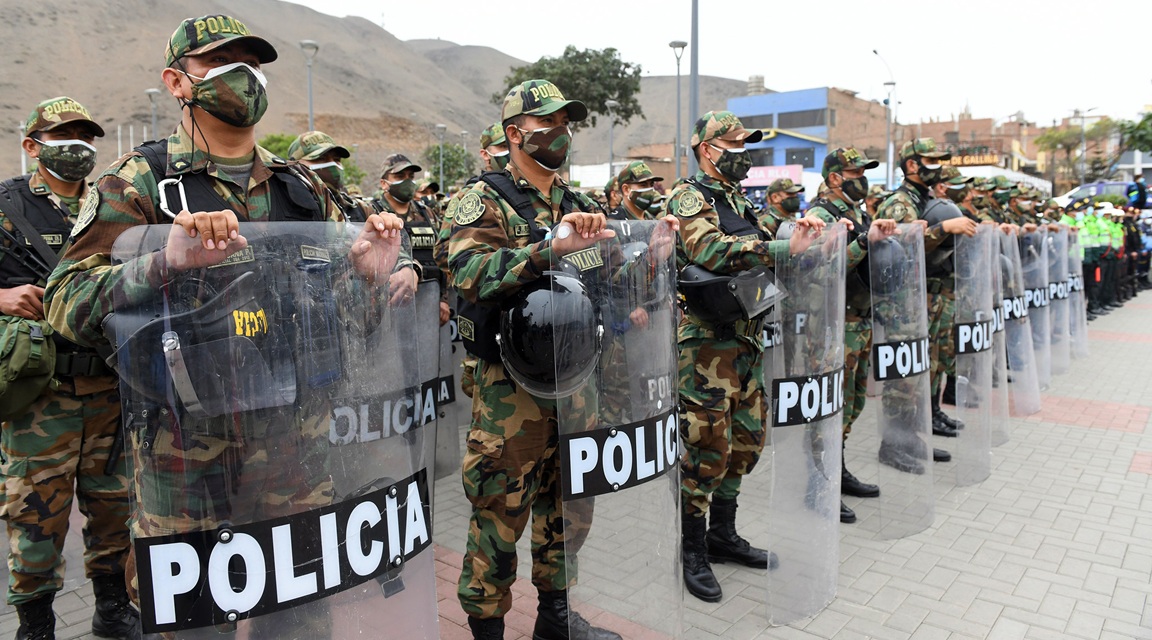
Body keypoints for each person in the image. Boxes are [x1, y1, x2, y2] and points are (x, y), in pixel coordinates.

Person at [42, 14, 404, 637]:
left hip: (295, 450)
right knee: (194, 624)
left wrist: (369, 280)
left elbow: (342, 323)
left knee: (299, 619)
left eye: (254, 65)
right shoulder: (142, 182)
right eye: (220, 64)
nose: (245, 77)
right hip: (184, 452)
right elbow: (64, 302)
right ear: (177, 83)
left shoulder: (302, 189)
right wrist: (159, 262)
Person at [450, 79, 652, 640]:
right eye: (548, 124)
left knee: (571, 505)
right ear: (516, 133)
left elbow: (610, 280)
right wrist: (547, 250)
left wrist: (646, 252)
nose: (561, 134)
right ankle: (487, 630)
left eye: (566, 124)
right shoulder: (481, 199)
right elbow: (467, 274)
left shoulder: (581, 204)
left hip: (578, 377)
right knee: (499, 512)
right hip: (511, 390)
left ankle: (555, 620)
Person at [665, 110, 825, 603]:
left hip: (749, 340)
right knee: (704, 449)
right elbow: (710, 250)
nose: (743, 151)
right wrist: (778, 245)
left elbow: (767, 243)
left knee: (746, 443)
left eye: (745, 143)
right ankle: (692, 548)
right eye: (733, 143)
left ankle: (723, 534)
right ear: (706, 149)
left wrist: (801, 233)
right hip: (707, 344)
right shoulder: (687, 196)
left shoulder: (738, 199)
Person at [0, 97, 138, 640]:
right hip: (41, 392)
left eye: (85, 136)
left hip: (109, 381)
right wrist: (2, 297)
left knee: (113, 507)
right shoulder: (7, 205)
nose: (78, 147)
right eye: (63, 136)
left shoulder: (114, 205)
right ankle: (36, 627)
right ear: (32, 145)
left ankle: (110, 609)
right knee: (36, 517)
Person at [803, 148, 901, 525]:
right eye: (853, 171)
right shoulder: (820, 216)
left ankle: (837, 470)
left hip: (858, 321)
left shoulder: (856, 213)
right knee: (828, 409)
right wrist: (865, 242)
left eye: (863, 171)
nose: (861, 177)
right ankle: (818, 485)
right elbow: (817, 268)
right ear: (833, 178)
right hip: (831, 324)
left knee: (853, 402)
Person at [874, 138, 977, 473]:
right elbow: (898, 245)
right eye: (930, 160)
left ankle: (910, 434)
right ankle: (893, 443)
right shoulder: (899, 202)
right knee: (901, 375)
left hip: (922, 298)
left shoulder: (927, 199)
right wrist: (942, 227)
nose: (936, 165)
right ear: (912, 165)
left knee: (919, 371)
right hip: (900, 301)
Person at [290, 131, 421, 306]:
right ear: (295, 164)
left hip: (354, 320)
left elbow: (394, 251)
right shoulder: (285, 206)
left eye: (336, 160)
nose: (332, 166)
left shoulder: (358, 208)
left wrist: (407, 269)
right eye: (320, 160)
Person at [376, 153, 450, 325]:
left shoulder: (427, 213)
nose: (407, 181)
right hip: (390, 306)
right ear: (384, 183)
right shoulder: (373, 211)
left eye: (410, 176)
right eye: (400, 176)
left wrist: (443, 299)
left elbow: (442, 256)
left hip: (429, 301)